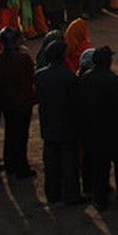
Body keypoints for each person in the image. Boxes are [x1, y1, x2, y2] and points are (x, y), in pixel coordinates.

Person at [78, 46, 118, 210]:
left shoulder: (85, 79)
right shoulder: (114, 81)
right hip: (113, 132)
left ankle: (100, 198)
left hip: (93, 132)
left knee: (99, 166)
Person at [33, 38, 86, 205]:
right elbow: (76, 102)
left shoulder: (39, 76)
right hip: (67, 125)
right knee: (69, 164)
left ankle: (52, 194)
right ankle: (71, 195)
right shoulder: (69, 77)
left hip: (48, 124)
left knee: (51, 163)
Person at [0, 27, 36, 178]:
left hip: (6, 101)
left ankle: (10, 163)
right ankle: (21, 166)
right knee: (20, 134)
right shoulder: (23, 58)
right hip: (22, 100)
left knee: (11, 132)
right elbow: (32, 76)